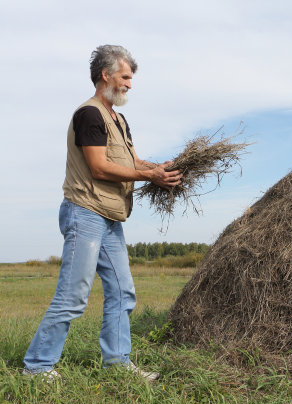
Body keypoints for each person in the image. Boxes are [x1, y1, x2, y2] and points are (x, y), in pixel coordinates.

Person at [22, 45, 181, 382]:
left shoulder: (118, 119)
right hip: (85, 213)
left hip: (110, 218)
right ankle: (36, 367)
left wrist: (161, 169)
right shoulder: (90, 114)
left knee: (123, 292)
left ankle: (118, 364)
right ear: (106, 75)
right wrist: (149, 176)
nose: (129, 84)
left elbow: (131, 162)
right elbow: (98, 167)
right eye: (125, 77)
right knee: (73, 295)